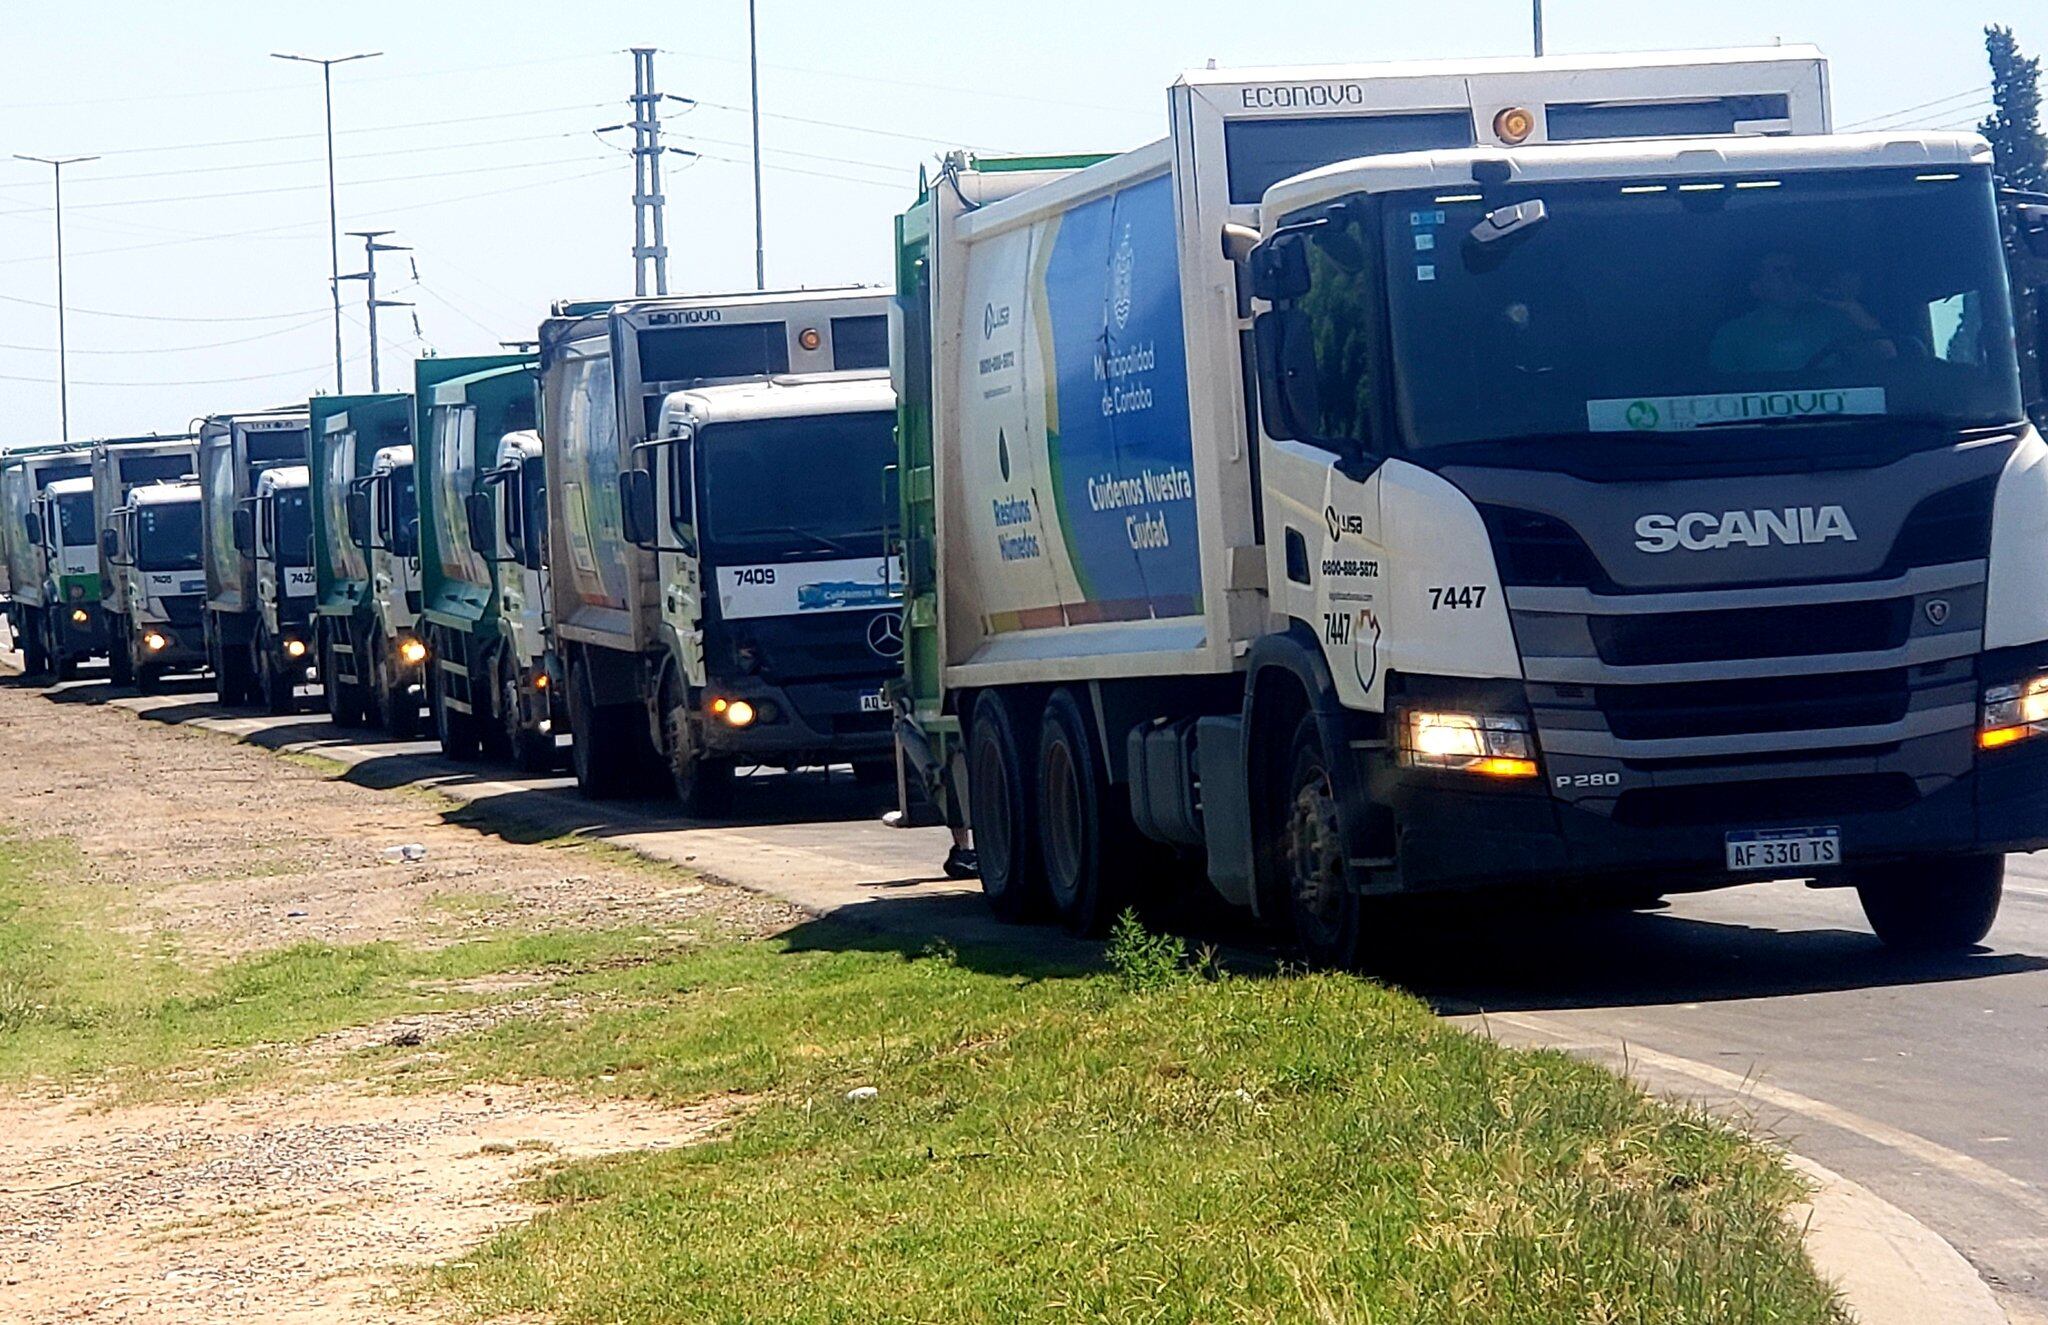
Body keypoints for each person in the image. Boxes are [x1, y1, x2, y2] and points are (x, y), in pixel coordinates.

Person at [1710, 252, 1897, 375]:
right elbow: (1722, 393)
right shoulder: (1732, 335)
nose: (1790, 280)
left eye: (1795, 272)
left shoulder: (1830, 322)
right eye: (1779, 273)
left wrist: (1851, 307)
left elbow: (1887, 357)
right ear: (1756, 288)